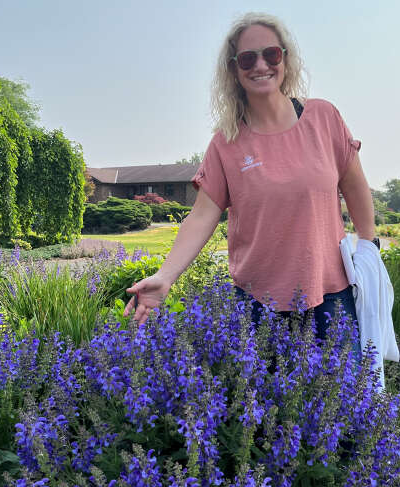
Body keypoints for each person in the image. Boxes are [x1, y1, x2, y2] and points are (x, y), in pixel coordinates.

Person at [124, 12, 377, 343]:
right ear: (233, 69)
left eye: (270, 54)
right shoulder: (226, 142)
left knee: (347, 393)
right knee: (260, 395)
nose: (261, 66)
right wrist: (165, 276)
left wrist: (369, 247)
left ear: (285, 58)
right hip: (258, 306)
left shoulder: (324, 117)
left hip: (331, 296)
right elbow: (201, 217)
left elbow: (355, 184)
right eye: (247, 59)